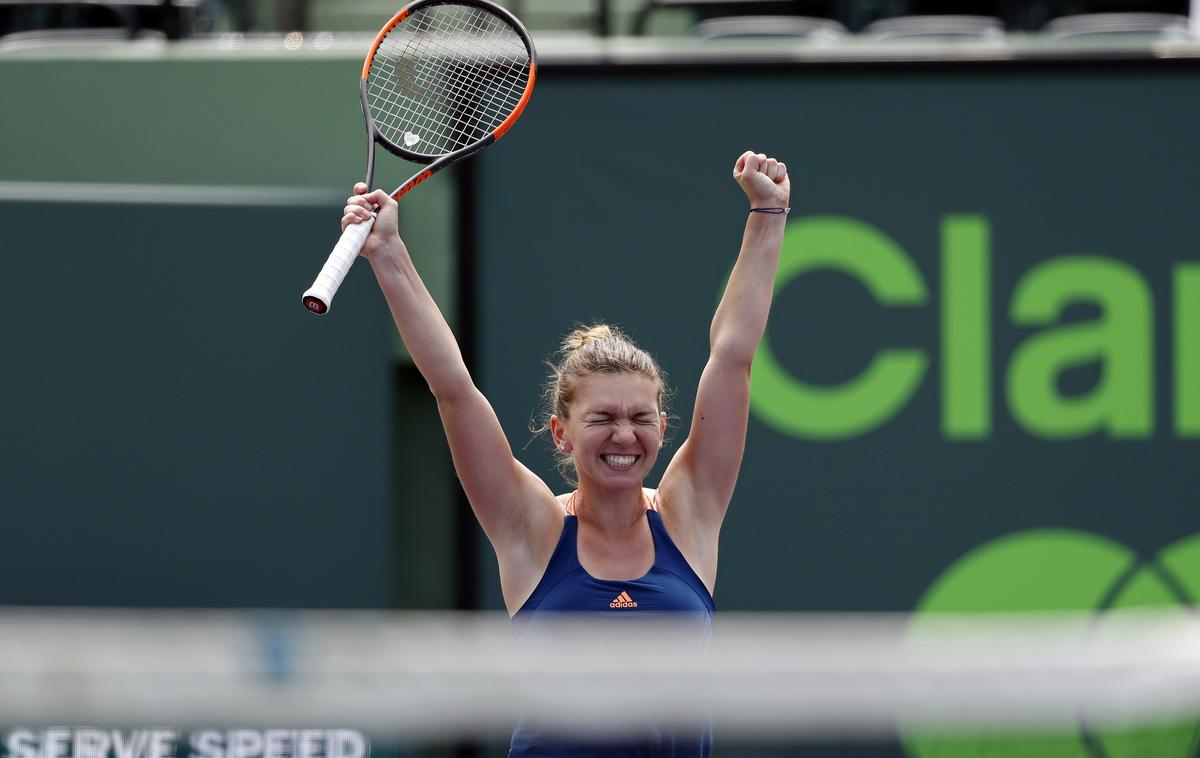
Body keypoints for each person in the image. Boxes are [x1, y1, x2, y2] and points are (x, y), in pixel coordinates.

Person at [342, 150, 789, 757]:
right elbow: (453, 389)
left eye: (640, 418)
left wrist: (768, 212)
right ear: (561, 433)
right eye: (602, 419)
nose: (625, 437)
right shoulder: (532, 528)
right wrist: (388, 252)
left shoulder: (692, 511)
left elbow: (732, 355)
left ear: (663, 424)